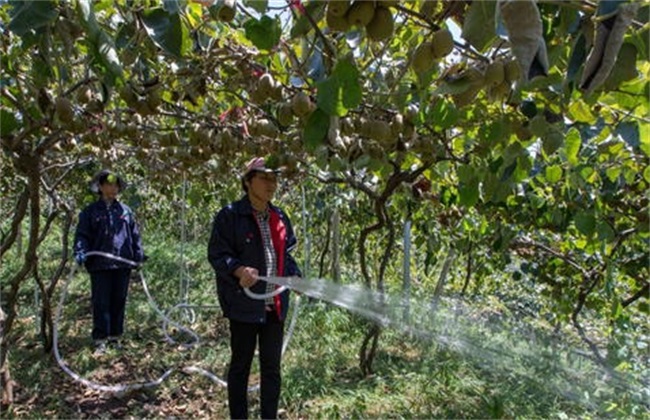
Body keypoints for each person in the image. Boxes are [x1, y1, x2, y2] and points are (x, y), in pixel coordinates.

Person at [208, 157, 301, 419]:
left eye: (274, 179)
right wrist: (238, 270)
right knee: (241, 366)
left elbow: (288, 254)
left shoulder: (280, 216)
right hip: (244, 305)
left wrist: (294, 276)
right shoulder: (230, 216)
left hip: (275, 305)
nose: (271, 184)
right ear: (248, 182)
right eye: (264, 178)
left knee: (272, 368)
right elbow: (217, 254)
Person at [73, 170, 145, 354]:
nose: (114, 188)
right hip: (100, 264)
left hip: (122, 263)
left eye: (116, 185)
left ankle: (115, 336)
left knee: (118, 300)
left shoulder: (125, 211)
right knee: (101, 301)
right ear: (101, 187)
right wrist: (81, 251)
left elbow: (134, 235)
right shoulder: (90, 212)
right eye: (110, 184)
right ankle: (100, 339)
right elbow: (82, 234)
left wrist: (138, 254)